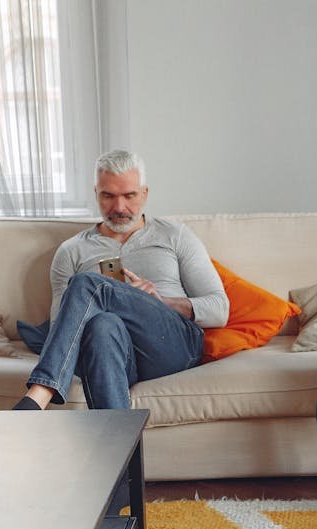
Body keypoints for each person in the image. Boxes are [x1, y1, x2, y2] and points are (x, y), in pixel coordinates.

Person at [13, 149, 228, 411]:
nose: (119, 208)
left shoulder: (175, 236)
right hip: (111, 350)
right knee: (103, 324)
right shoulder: (71, 251)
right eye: (108, 196)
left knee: (88, 284)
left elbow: (219, 309)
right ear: (96, 194)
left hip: (171, 345)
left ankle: (40, 393)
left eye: (129, 196)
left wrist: (163, 302)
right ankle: (123, 450)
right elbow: (63, 326)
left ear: (145, 193)